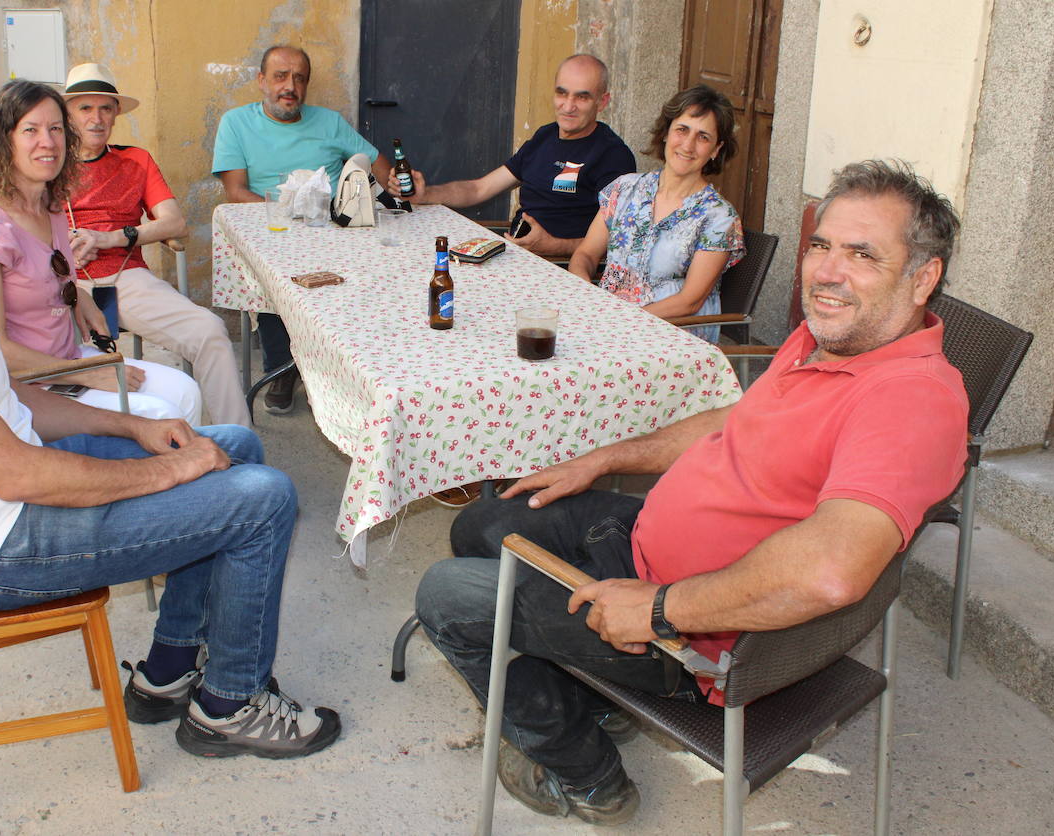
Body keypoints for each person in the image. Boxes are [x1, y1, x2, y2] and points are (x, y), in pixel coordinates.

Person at [414, 158, 970, 826]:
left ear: (923, 279)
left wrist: (659, 611)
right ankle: (594, 695)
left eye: (862, 255)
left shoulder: (912, 403)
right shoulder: (829, 337)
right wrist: (599, 460)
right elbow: (736, 418)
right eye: (821, 245)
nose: (826, 271)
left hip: (692, 633)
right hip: (644, 541)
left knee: (446, 595)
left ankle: (587, 776)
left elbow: (831, 571)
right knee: (484, 524)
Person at [0, 98, 342, 760]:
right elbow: (14, 473)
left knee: (231, 446)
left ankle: (169, 669)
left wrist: (130, 428)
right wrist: (167, 471)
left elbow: (12, 399)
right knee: (261, 498)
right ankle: (229, 706)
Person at [0, 79, 202, 423]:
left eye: (56, 129)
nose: (48, 142)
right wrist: (84, 373)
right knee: (163, 415)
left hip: (69, 359)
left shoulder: (50, 205)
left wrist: (81, 299)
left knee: (185, 391)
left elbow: (48, 274)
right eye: (31, 130)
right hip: (28, 385)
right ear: (4, 139)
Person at [63, 63, 251, 427]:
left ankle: (235, 446)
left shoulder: (135, 160)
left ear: (117, 113)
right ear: (68, 115)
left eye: (105, 108)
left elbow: (174, 222)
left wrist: (113, 238)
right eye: (84, 108)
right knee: (56, 358)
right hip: (64, 282)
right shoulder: (48, 163)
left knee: (209, 331)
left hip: (127, 277)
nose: (96, 118)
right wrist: (61, 247)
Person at [212, 44, 391, 414]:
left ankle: (344, 370)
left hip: (330, 230)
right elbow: (235, 192)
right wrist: (287, 212)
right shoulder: (236, 122)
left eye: (299, 78)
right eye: (280, 76)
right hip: (270, 228)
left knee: (368, 271)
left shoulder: (328, 122)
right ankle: (283, 368)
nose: (289, 86)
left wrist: (399, 185)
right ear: (262, 81)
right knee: (274, 275)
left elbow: (377, 164)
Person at [391, 55, 636, 258]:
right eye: (562, 93)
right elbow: (479, 189)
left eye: (582, 97)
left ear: (602, 102)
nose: (568, 105)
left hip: (560, 268)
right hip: (513, 255)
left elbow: (620, 242)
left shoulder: (613, 156)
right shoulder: (545, 136)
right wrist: (426, 194)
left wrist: (553, 246)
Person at [570, 84, 745, 343]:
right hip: (606, 323)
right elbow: (585, 254)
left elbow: (690, 301)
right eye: (682, 130)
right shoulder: (625, 188)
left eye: (703, 137)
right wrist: (587, 293)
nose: (688, 145)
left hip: (671, 335)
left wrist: (622, 323)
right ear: (666, 133)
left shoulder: (719, 217)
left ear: (716, 150)